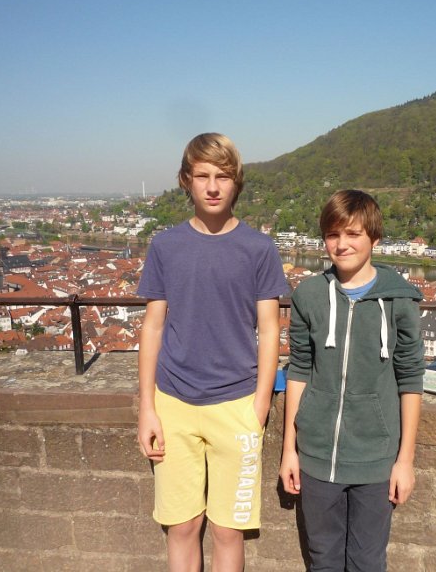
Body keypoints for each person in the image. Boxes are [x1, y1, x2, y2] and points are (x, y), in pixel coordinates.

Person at [137, 132, 288, 572]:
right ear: (186, 181)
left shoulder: (259, 249)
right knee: (181, 527)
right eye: (202, 176)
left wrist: (259, 405)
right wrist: (147, 407)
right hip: (173, 405)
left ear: (236, 182)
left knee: (227, 531)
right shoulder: (165, 246)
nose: (213, 186)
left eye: (223, 176)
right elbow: (154, 326)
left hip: (236, 404)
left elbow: (268, 329)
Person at [279, 189, 425, 571]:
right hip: (316, 457)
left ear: (374, 239)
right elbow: (298, 371)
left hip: (376, 460)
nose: (341, 245)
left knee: (367, 562)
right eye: (332, 235)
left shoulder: (399, 301)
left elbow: (410, 380)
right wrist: (289, 451)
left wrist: (404, 461)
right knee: (322, 560)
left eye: (353, 234)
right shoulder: (309, 296)